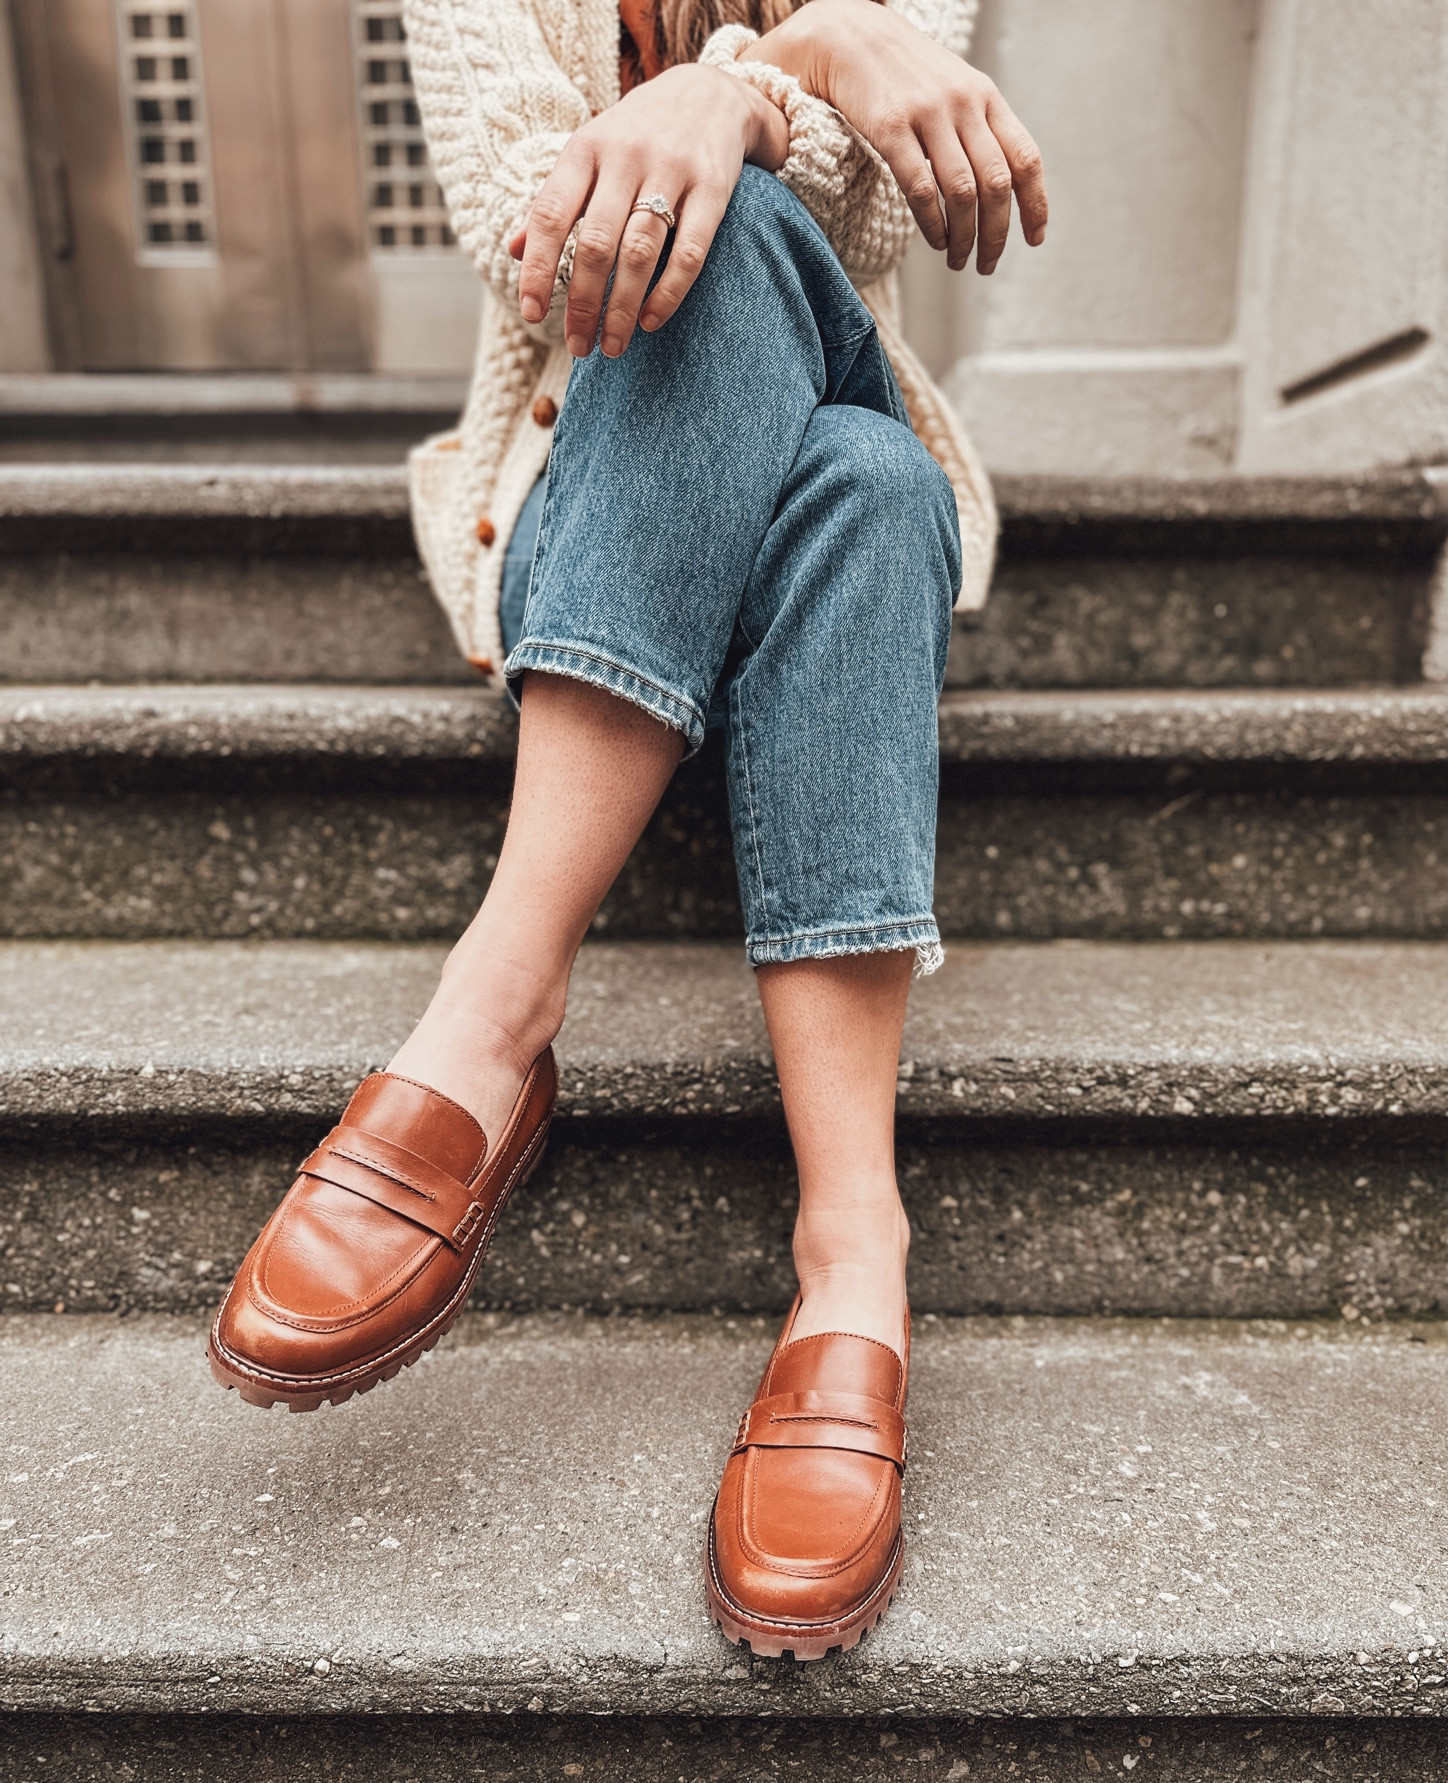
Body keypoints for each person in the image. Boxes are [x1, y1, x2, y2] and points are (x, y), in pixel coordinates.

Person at [207, 0, 1046, 1663]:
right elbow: (545, 231)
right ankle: (851, 1249)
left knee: (812, 368)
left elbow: (885, 225)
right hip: (582, 479)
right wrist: (803, 67)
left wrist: (739, 88)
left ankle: (492, 1026)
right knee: (851, 458)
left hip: (819, 386)